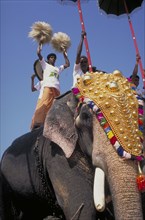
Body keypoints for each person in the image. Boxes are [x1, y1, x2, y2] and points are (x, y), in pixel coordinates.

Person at [30, 44, 70, 130]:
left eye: (54, 57)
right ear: (48, 59)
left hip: (57, 90)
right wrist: (40, 43)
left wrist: (64, 53)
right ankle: (37, 123)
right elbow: (38, 53)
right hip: (48, 87)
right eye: (51, 57)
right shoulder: (45, 65)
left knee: (55, 107)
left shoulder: (57, 69)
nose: (53, 58)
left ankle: (53, 124)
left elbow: (67, 64)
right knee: (43, 104)